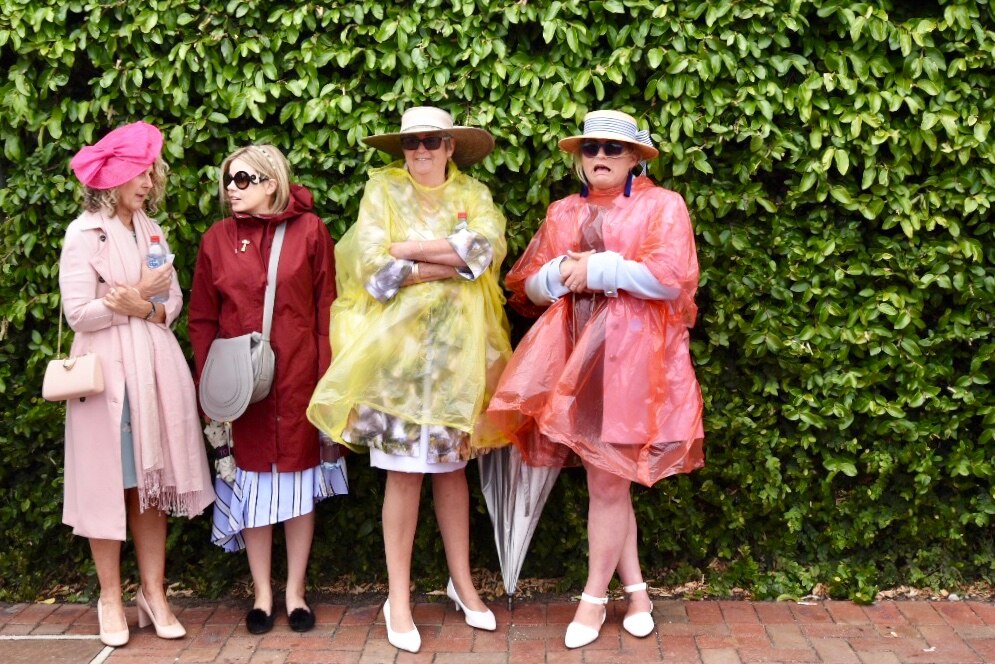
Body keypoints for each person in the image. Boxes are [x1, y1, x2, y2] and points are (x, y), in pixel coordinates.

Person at [487, 110, 705, 648]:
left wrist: (600, 269)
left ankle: (592, 600)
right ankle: (637, 593)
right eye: (590, 149)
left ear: (636, 157)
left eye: (612, 149)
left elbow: (671, 278)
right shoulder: (562, 211)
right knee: (608, 481)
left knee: (607, 483)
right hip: (572, 365)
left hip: (633, 363)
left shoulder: (662, 205)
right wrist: (559, 273)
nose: (600, 158)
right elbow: (526, 290)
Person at [307, 106, 512, 653]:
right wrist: (448, 255)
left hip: (456, 364)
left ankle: (461, 583)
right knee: (403, 475)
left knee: (451, 474)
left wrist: (409, 252)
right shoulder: (382, 193)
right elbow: (372, 270)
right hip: (395, 366)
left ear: (450, 147)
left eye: (430, 141)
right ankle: (397, 596)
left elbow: (484, 253)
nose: (419, 151)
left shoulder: (477, 195)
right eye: (411, 142)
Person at [61, 121, 215, 647]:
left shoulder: (151, 230)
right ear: (111, 177)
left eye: (150, 170)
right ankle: (110, 596)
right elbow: (78, 312)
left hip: (154, 375)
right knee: (109, 484)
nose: (148, 180)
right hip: (106, 381)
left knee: (151, 487)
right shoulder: (82, 234)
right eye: (138, 171)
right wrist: (124, 301)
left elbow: (170, 303)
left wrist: (145, 304)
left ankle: (153, 593)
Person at [188, 145, 347, 635]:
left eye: (241, 179)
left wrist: (328, 380)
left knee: (299, 489)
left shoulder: (311, 232)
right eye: (227, 181)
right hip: (243, 392)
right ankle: (261, 593)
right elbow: (202, 318)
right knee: (252, 490)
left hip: (301, 379)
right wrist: (212, 385)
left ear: (271, 182)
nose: (231, 189)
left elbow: (327, 309)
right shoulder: (217, 239)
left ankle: (295, 592)